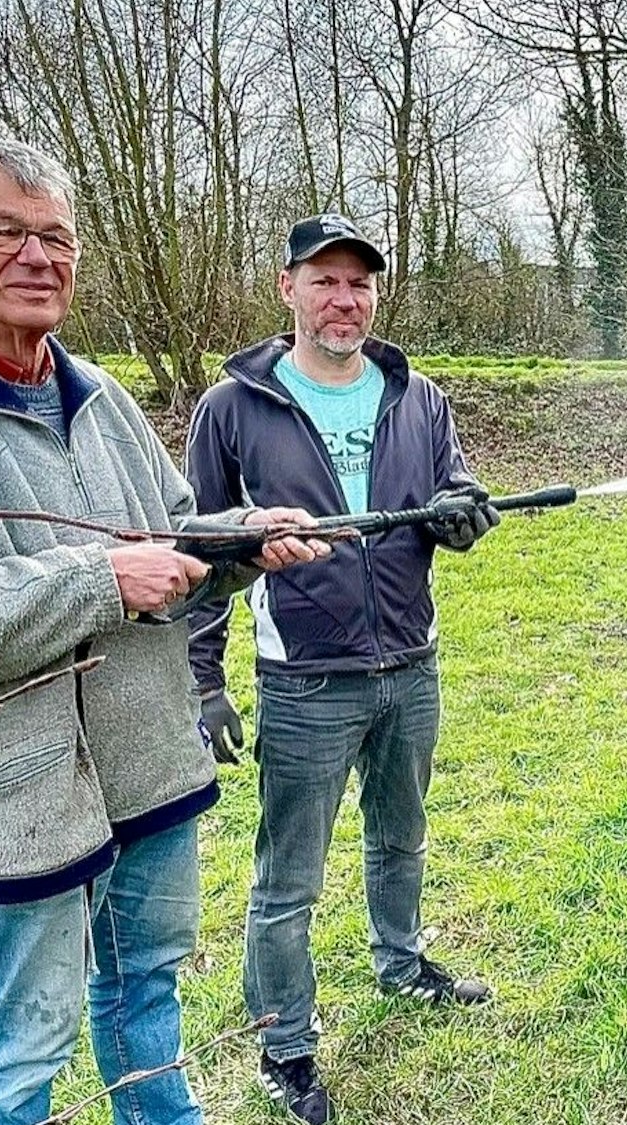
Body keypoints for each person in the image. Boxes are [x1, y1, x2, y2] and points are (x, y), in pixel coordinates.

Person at [0, 136, 327, 1125]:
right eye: (3, 229)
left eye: (55, 236)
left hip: (146, 768)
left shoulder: (101, 398)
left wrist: (236, 543)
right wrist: (99, 580)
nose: (35, 256)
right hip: (10, 799)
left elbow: (168, 549)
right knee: (20, 1040)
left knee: (145, 1000)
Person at [185, 213, 500, 1125]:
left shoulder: (419, 396)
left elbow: (456, 488)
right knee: (289, 878)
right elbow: (198, 548)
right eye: (323, 280)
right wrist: (204, 679)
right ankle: (284, 1044)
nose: (343, 298)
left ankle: (401, 965)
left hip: (412, 662)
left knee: (401, 836)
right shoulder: (232, 409)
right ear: (287, 288)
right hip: (306, 679)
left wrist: (462, 514)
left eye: (358, 281)